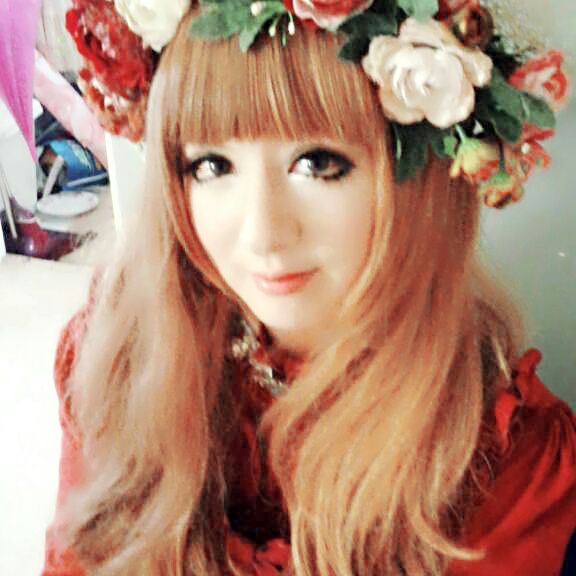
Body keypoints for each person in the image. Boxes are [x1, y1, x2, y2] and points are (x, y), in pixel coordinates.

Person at [43, 1, 575, 574]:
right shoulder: (119, 354)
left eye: (318, 163)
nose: (263, 233)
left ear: (420, 177)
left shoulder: (504, 459)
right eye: (212, 166)